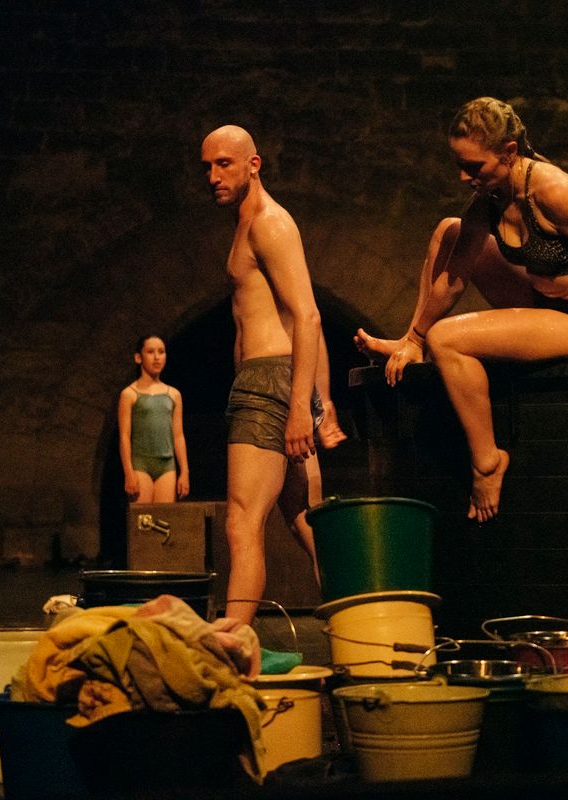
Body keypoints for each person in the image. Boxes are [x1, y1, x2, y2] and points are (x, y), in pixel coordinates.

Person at [355, 97, 568, 521]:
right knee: (449, 232)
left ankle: (487, 461)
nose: (464, 176)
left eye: (474, 166)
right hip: (540, 303)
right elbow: (455, 277)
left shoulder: (554, 190)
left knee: (448, 338)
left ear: (509, 152)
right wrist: (413, 338)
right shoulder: (488, 199)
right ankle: (412, 342)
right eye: (459, 165)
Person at [202, 125, 345, 625]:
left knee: (242, 524)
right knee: (307, 521)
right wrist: (315, 400)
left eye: (224, 163)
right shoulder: (247, 223)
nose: (213, 176)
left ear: (253, 164)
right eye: (207, 167)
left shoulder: (269, 223)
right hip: (268, 382)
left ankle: (233, 641)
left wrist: (305, 407)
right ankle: (364, 624)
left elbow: (308, 316)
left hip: (268, 386)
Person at [117, 335, 190, 504]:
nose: (157, 357)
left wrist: (185, 471)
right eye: (150, 352)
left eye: (161, 352)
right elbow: (124, 436)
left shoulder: (173, 394)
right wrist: (128, 472)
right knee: (143, 518)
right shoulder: (129, 394)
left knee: (164, 517)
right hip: (140, 464)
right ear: (139, 357)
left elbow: (178, 435)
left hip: (167, 465)